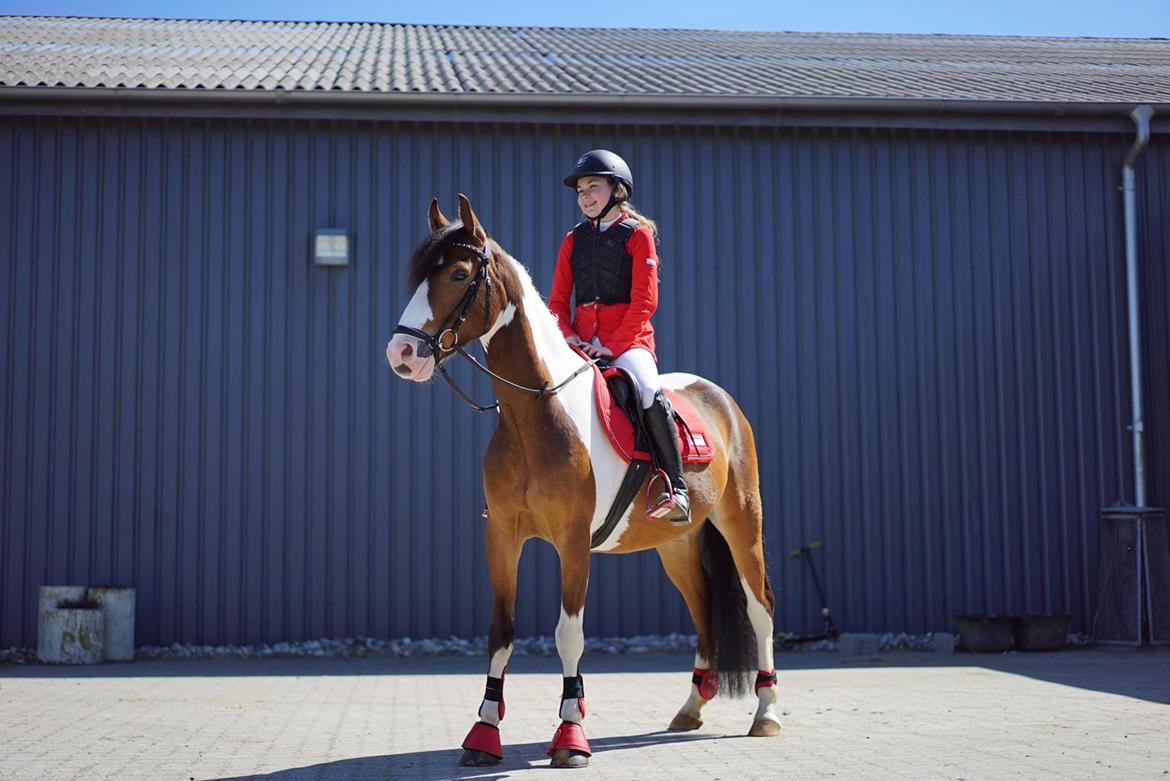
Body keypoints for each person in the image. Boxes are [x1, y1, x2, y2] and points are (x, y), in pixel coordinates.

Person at [548, 149, 690, 524]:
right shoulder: (572, 240)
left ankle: (675, 486)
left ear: (617, 190)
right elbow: (558, 302)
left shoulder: (638, 235)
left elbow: (645, 301)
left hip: (628, 342)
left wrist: (612, 345)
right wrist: (569, 338)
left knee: (647, 390)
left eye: (593, 187)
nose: (585, 196)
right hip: (580, 344)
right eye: (580, 190)